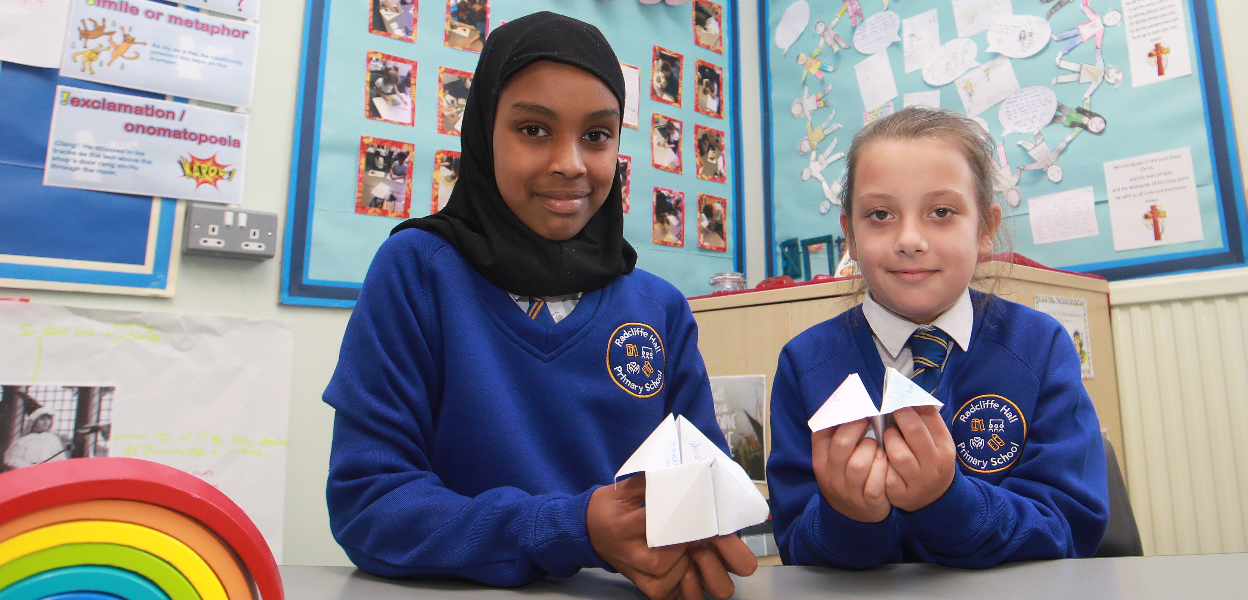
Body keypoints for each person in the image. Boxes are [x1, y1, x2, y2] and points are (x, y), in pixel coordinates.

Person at [324, 13, 756, 599]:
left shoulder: (661, 308)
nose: (570, 162)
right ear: (481, 133)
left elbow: (703, 498)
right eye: (533, 129)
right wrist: (571, 529)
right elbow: (370, 503)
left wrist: (705, 537)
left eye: (597, 135)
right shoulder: (418, 273)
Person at [764, 106, 1109, 569]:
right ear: (849, 233)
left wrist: (947, 502)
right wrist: (848, 517)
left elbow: (1068, 527)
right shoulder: (805, 364)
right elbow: (795, 543)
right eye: (881, 214)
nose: (910, 239)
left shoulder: (1039, 347)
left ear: (985, 229)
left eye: (941, 212)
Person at [3, 410, 69, 470]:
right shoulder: (23, 441)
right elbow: (12, 460)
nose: (46, 422)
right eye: (42, 419)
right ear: (34, 421)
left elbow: (61, 460)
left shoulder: (54, 440)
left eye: (48, 419)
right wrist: (32, 467)